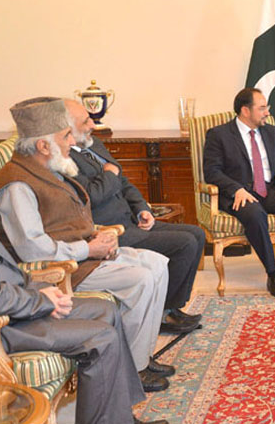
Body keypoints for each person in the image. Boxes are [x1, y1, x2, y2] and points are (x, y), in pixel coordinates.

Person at [0, 121, 168, 424]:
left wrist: (39, 293)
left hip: (4, 310)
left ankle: (119, 419)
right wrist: (41, 300)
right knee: (99, 337)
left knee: (105, 309)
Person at [0, 97, 174, 393]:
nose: (72, 141)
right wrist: (89, 249)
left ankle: (141, 359)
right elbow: (34, 250)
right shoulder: (17, 185)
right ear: (43, 146)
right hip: (58, 270)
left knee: (157, 263)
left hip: (85, 254)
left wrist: (101, 237)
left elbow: (68, 220)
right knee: (142, 279)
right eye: (65, 136)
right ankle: (134, 371)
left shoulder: (48, 169)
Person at [64, 99, 203, 334]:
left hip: (132, 219)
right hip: (110, 230)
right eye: (86, 121)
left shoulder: (94, 144)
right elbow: (92, 196)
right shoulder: (64, 161)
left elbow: (125, 182)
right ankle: (161, 313)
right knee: (185, 243)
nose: (92, 125)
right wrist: (110, 173)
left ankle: (169, 308)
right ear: (68, 127)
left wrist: (142, 209)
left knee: (197, 234)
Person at [202, 88, 275, 299]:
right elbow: (211, 172)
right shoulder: (219, 135)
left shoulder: (271, 132)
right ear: (245, 110)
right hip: (239, 193)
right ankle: (273, 274)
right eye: (262, 108)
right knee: (255, 214)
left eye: (267, 107)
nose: (267, 112)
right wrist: (236, 189)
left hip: (268, 189)